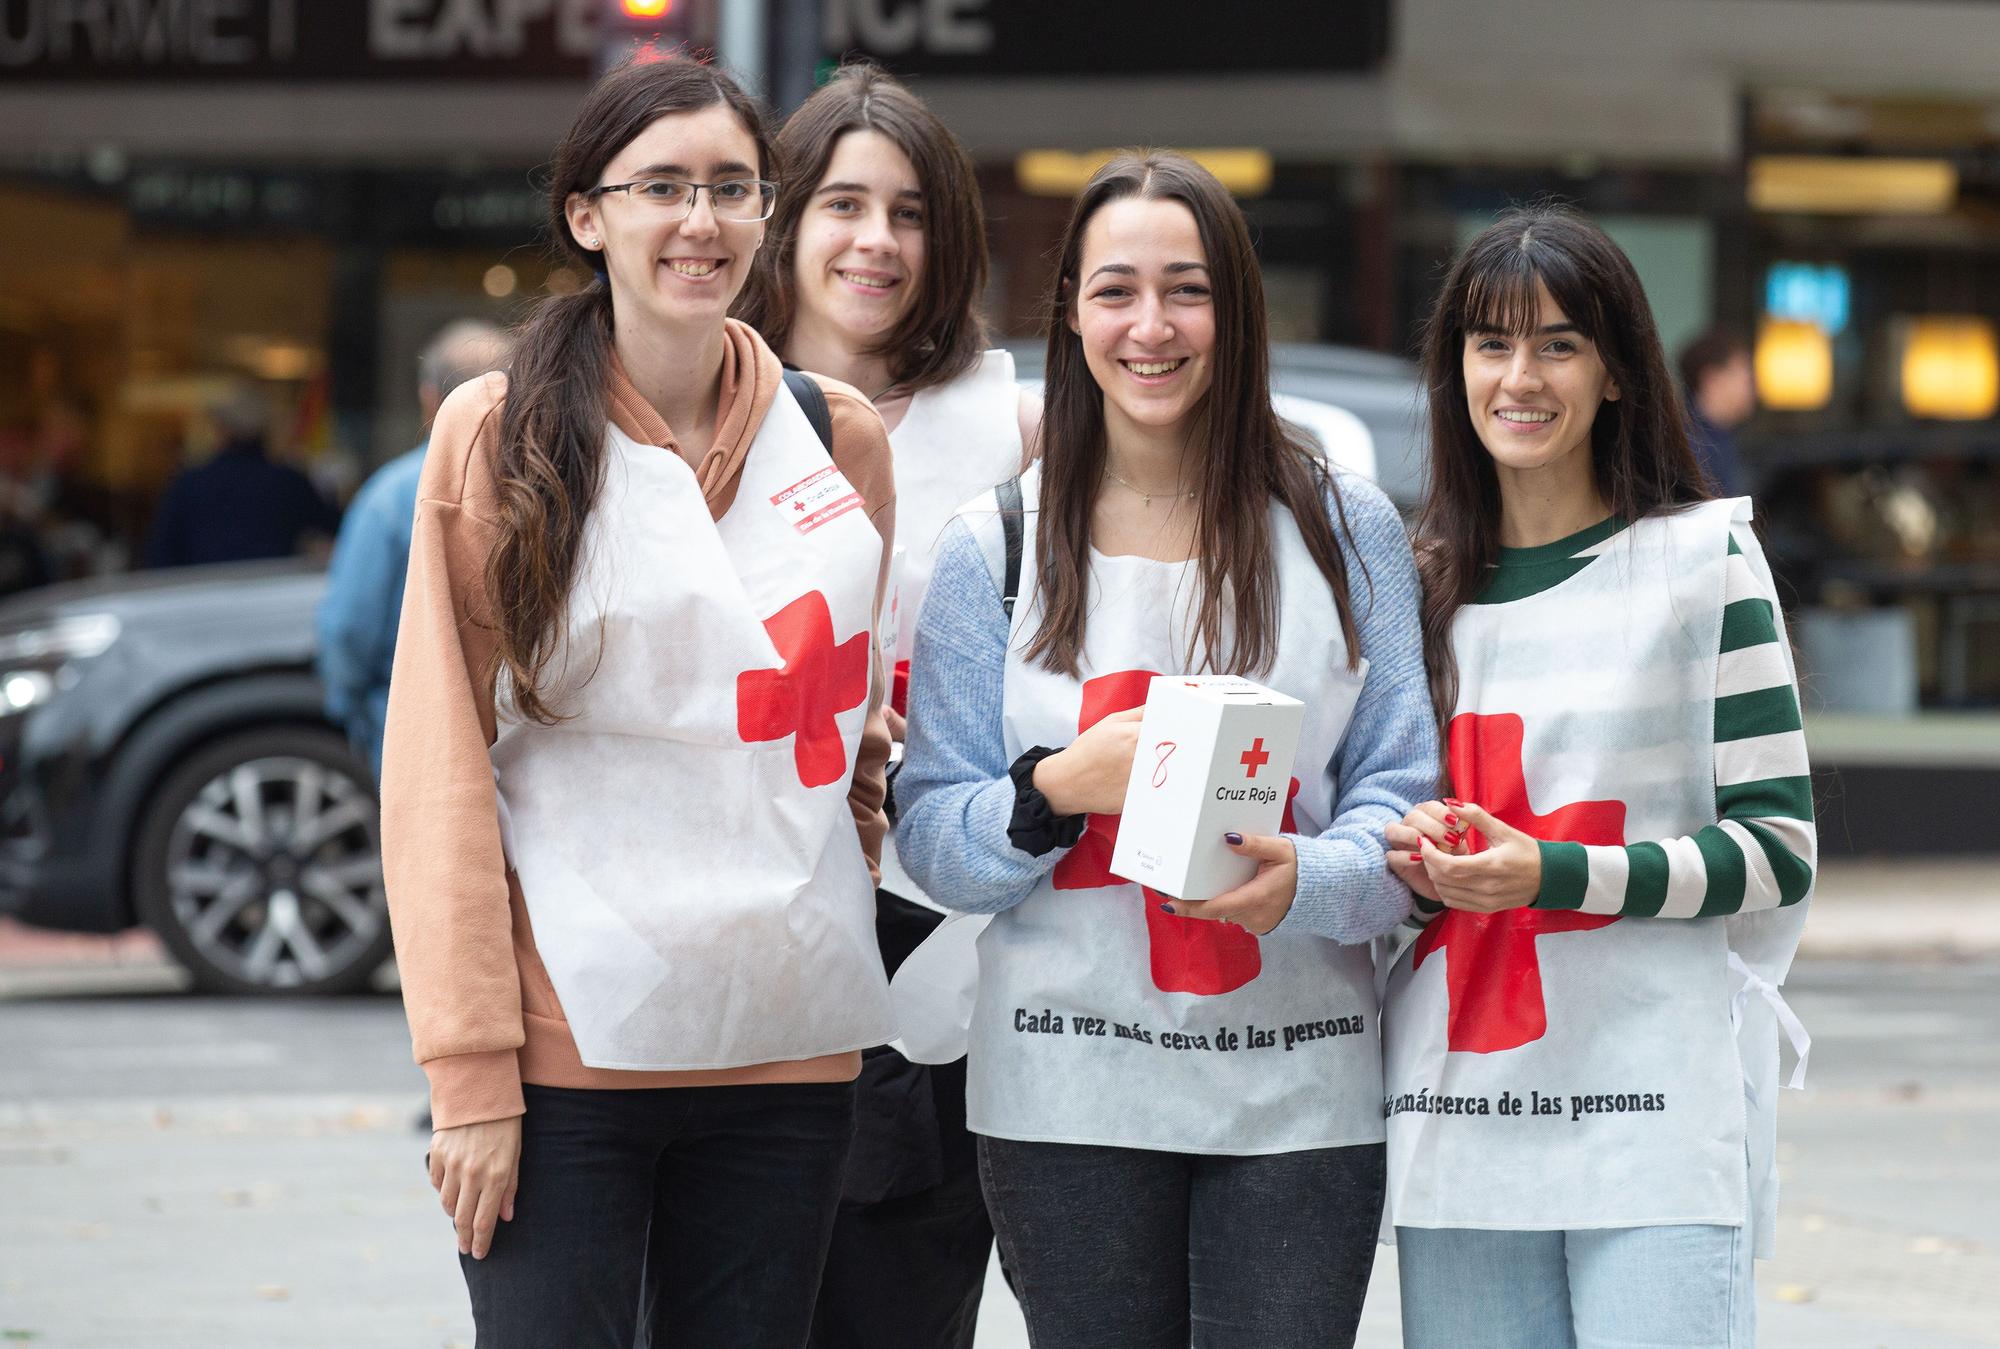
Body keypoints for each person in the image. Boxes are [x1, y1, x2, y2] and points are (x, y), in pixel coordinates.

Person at [378, 59, 898, 1347]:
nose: (701, 222)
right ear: (585, 214)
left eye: (731, 188)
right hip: (570, 1048)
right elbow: (437, 762)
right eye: (661, 187)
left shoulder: (837, 440)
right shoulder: (496, 436)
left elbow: (851, 733)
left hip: (785, 1042)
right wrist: (471, 1076)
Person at [894, 153, 1437, 1349]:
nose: (1150, 325)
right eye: (1113, 290)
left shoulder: (1345, 529)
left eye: (1185, 289)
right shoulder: (995, 544)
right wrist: (1050, 792)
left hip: (1298, 1087)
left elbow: (1404, 799)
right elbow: (933, 836)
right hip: (1064, 1088)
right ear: (1071, 312)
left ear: (1235, 310)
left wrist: (1318, 877)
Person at [1381, 205, 1814, 1349]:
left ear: (1615, 370)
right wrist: (1411, 865)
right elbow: (1370, 833)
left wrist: (1553, 868)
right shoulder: (1412, 588)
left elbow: (1775, 849)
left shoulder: (1704, 562)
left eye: (1558, 343)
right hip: (1457, 1117)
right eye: (1489, 343)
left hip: (1650, 1123)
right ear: (1452, 370)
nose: (1519, 377)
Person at [734, 63, 1033, 1349]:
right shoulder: (693, 402)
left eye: (909, 211)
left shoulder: (1008, 426)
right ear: (782, 220)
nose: (875, 241)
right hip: (731, 934)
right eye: (843, 204)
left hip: (932, 943)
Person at [316, 320, 510, 777]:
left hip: (417, 733)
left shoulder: (392, 494)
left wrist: (355, 711)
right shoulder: (560, 488)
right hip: (529, 738)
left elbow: (347, 628)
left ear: (428, 397)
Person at [144, 380, 339, 568]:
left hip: (201, 595)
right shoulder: (289, 482)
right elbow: (336, 527)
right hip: (274, 594)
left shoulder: (189, 485)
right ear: (265, 432)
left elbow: (161, 557)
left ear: (222, 431)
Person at [1679, 327, 1755, 496]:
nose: (1751, 387)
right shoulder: (1690, 446)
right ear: (1712, 379)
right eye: (1745, 376)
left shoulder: (1722, 437)